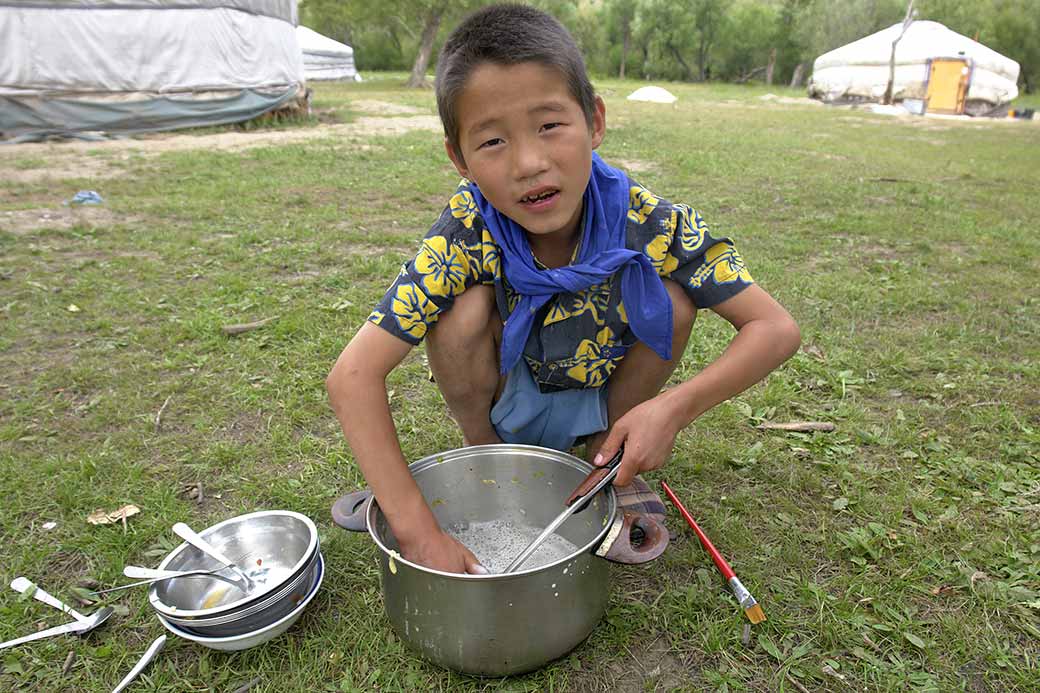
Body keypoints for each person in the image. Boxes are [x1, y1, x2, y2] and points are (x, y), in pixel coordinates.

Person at [327, 3, 800, 575]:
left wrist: (670, 410)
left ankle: (603, 462)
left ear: (594, 121)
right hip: (506, 398)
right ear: (460, 159)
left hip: (607, 395)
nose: (529, 163)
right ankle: (490, 458)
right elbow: (352, 377)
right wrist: (419, 532)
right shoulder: (464, 234)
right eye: (492, 142)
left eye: (550, 125)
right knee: (461, 311)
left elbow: (774, 328)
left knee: (672, 299)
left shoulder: (649, 222)